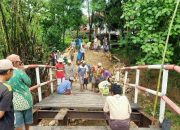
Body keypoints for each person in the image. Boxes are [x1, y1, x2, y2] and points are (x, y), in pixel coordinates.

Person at [7, 54, 33, 130]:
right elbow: (28, 82)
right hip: (26, 100)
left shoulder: (5, 73)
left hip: (13, 102)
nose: (20, 64)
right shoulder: (19, 72)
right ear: (15, 62)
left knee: (18, 123)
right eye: (20, 62)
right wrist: (23, 71)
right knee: (27, 120)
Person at [0, 59, 14, 130]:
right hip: (5, 125)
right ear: (8, 71)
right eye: (12, 71)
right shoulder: (7, 89)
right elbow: (1, 113)